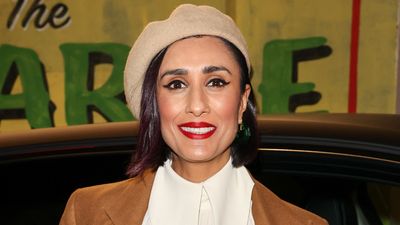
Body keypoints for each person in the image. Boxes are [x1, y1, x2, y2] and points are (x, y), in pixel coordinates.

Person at [60, 4, 328, 225]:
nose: (197, 105)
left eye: (216, 82)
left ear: (243, 101)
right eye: (176, 84)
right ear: (154, 102)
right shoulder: (86, 213)